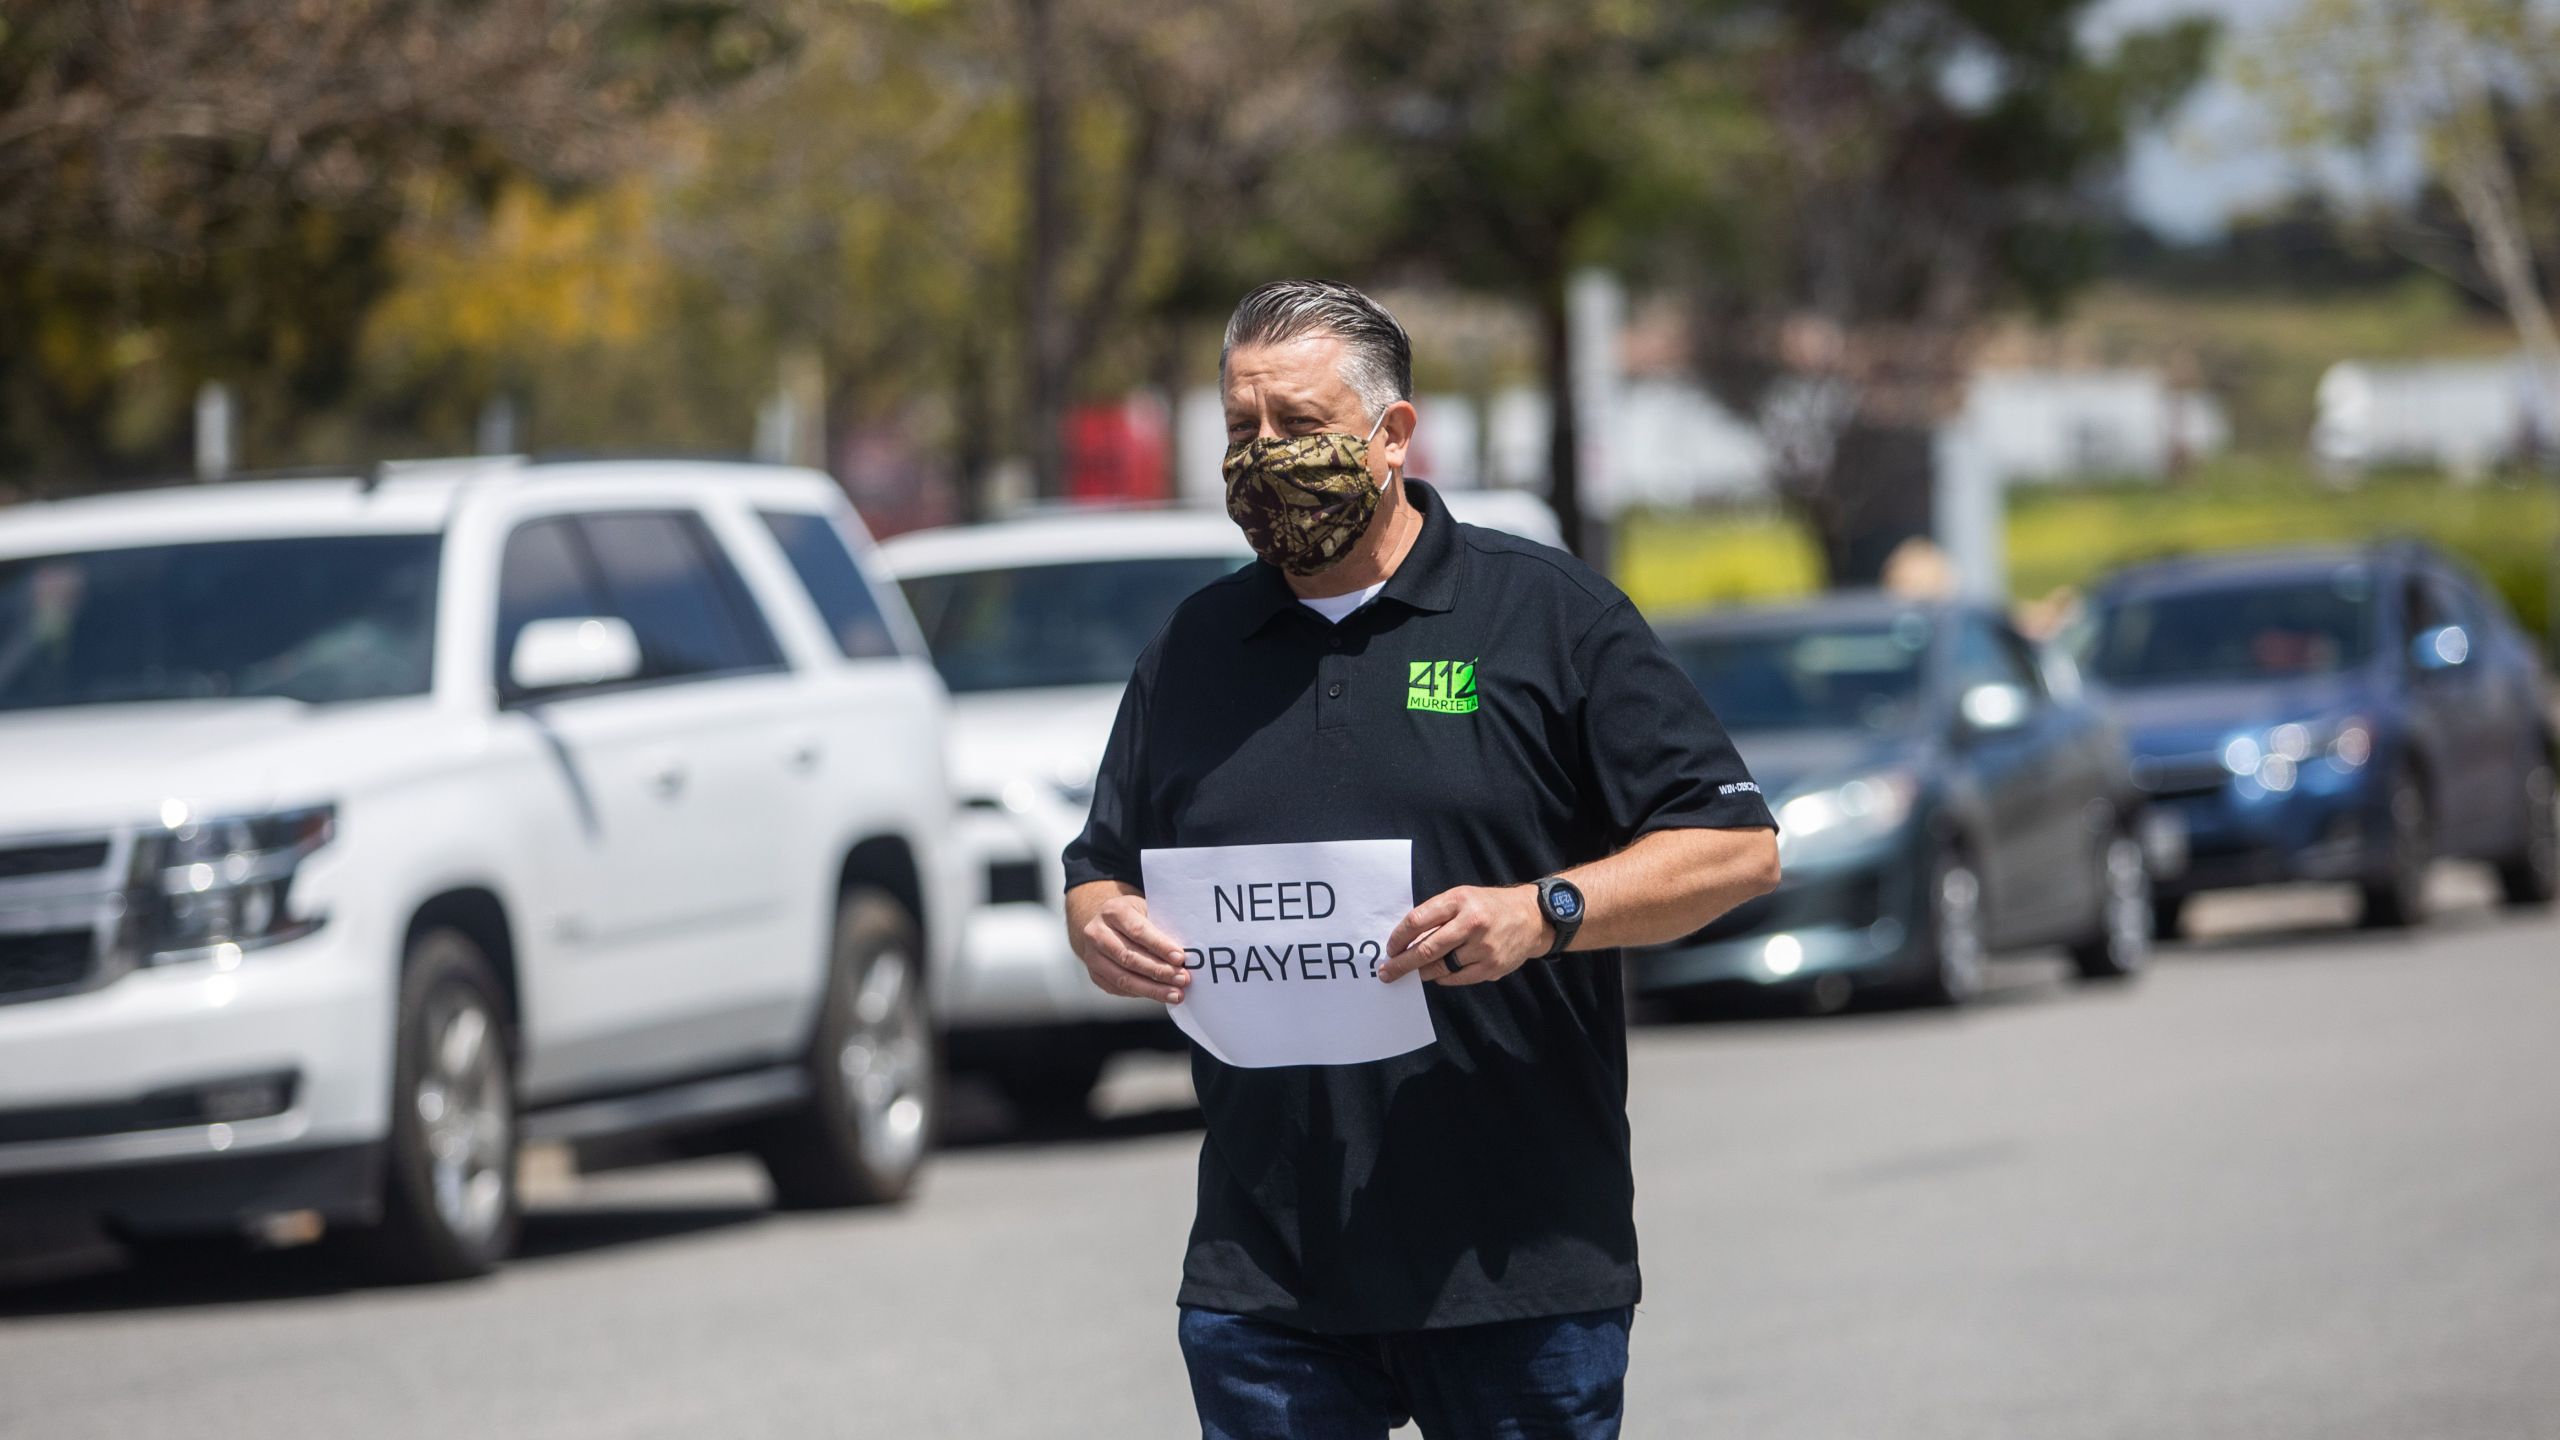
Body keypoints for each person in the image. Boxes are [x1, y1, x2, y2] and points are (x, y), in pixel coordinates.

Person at [1062, 279, 1780, 1440]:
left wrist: (1544, 911)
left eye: (1297, 426)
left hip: (1514, 1268)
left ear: (1393, 435)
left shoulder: (1547, 618)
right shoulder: (1194, 649)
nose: (1263, 456)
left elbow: (1736, 848)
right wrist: (1099, 922)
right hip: (1268, 1279)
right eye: (1240, 429)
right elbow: (1099, 867)